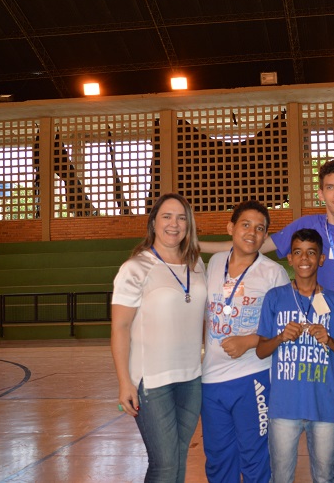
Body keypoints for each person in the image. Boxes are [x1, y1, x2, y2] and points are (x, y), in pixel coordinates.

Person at [200, 159, 334, 483]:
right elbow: (255, 243)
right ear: (321, 192)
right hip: (314, 354)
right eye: (330, 187)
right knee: (315, 436)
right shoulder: (308, 224)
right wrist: (192, 245)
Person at [111, 192, 206, 483]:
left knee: (178, 458)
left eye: (181, 218)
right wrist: (124, 381)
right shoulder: (135, 268)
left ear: (188, 225)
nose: (173, 224)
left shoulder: (196, 264)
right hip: (151, 382)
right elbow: (120, 328)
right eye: (166, 216)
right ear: (153, 223)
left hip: (191, 378)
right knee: (164, 464)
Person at [201, 200, 290, 483]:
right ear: (231, 228)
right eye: (246, 225)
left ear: (265, 237)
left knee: (254, 456)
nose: (252, 232)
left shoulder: (273, 273)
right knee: (218, 456)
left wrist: (249, 341)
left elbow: (283, 327)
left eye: (260, 228)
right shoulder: (214, 263)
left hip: (253, 376)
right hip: (210, 380)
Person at [256, 228, 334, 483]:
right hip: (283, 407)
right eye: (298, 253)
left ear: (321, 259)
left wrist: (329, 340)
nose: (304, 259)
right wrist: (280, 337)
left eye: (311, 253)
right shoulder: (275, 298)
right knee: (281, 477)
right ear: (289, 258)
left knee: (323, 476)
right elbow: (260, 351)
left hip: (323, 407)